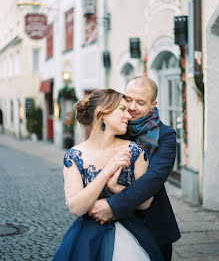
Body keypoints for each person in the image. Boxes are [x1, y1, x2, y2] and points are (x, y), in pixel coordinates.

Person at [52, 88, 165, 261]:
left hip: (131, 234)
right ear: (102, 113)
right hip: (87, 240)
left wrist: (116, 187)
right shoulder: (74, 156)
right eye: (122, 109)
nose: (128, 116)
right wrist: (107, 171)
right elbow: (76, 207)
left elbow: (145, 204)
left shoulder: (134, 151)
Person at [89, 78, 181, 261]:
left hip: (151, 222)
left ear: (153, 104)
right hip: (110, 226)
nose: (131, 107)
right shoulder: (116, 126)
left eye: (140, 102)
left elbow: (153, 178)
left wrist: (113, 206)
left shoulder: (166, 135)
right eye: (128, 99)